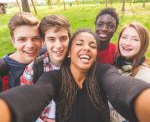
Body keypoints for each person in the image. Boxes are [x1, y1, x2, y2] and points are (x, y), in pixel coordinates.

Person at [0, 29, 150, 122]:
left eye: (92, 46)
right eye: (79, 44)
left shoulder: (104, 72)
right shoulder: (54, 77)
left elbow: (119, 85)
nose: (86, 48)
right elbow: (37, 93)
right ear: (70, 52)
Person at [20, 15, 71, 122]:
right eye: (51, 39)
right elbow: (25, 105)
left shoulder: (77, 66)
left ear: (69, 39)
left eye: (63, 38)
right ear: (43, 41)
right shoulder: (33, 69)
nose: (58, 46)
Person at [110, 22, 150, 122]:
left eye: (135, 39)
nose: (127, 43)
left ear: (143, 44)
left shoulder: (144, 77)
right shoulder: (120, 64)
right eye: (124, 37)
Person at [0, 12, 42, 91]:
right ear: (13, 42)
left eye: (36, 38)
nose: (30, 45)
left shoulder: (47, 55)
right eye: (22, 39)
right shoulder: (2, 69)